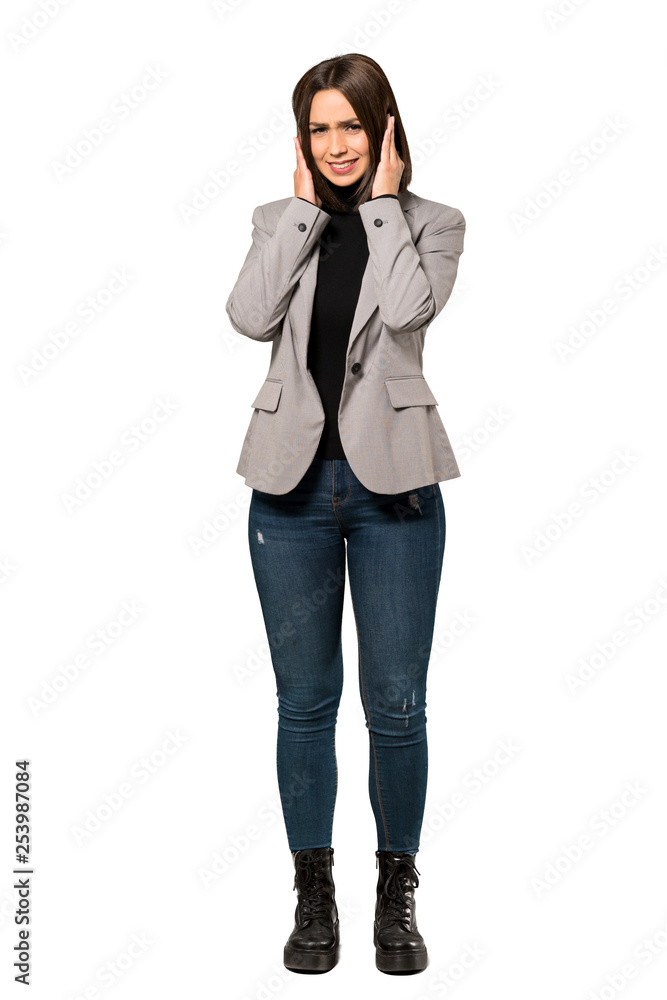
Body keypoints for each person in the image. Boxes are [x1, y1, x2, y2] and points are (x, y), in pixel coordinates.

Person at [225, 53, 466, 975]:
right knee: (303, 706)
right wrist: (300, 215)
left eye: (351, 127)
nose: (335, 145)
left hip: (395, 492)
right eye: (318, 128)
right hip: (287, 493)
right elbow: (248, 317)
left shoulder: (430, 224)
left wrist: (377, 205)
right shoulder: (275, 222)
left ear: (383, 130)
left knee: (396, 709)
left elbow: (409, 310)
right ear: (301, 138)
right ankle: (312, 891)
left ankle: (395, 894)